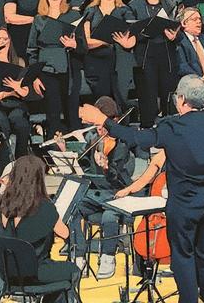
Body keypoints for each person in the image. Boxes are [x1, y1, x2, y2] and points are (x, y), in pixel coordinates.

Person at [80, 75, 204, 303]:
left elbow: (136, 138)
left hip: (183, 206)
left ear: (180, 99)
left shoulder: (171, 127)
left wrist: (104, 120)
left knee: (183, 257)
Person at [0, 155, 80, 303]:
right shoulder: (44, 206)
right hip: (35, 272)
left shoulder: (2, 202)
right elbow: (64, 233)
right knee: (73, 270)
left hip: (8, 273)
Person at [69, 96, 135, 278]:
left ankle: (108, 256)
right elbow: (83, 166)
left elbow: (120, 178)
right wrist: (65, 150)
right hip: (95, 195)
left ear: (114, 121)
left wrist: (106, 167)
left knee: (108, 215)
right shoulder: (94, 139)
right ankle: (79, 255)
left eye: (102, 124)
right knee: (72, 209)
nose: (99, 129)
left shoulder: (121, 144)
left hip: (116, 195)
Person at [27, 0, 84, 135]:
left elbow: (83, 46)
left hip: (70, 70)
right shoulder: (39, 19)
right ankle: (54, 149)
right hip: (47, 72)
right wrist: (35, 77)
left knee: (72, 113)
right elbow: (32, 50)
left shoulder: (73, 15)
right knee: (53, 113)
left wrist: (75, 45)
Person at [126, 0, 179, 128]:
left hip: (166, 56)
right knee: (148, 98)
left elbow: (177, 30)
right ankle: (148, 130)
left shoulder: (169, 4)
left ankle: (170, 129)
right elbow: (131, 29)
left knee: (168, 97)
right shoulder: (135, 5)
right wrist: (147, 31)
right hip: (145, 56)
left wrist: (174, 36)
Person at [0, 27, 33, 172]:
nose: (2, 42)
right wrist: (5, 94)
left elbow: (26, 91)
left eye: (5, 39)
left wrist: (17, 88)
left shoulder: (19, 62)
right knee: (1, 122)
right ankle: (4, 167)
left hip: (15, 104)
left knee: (20, 122)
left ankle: (22, 165)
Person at [81, 0, 136, 102]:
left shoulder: (125, 10)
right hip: (97, 63)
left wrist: (125, 42)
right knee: (104, 102)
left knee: (121, 102)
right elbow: (86, 41)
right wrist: (106, 41)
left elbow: (132, 39)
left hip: (120, 63)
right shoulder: (91, 11)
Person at [176, 7, 204, 95]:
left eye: (200, 19)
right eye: (194, 19)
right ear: (183, 23)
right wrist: (202, 82)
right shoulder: (180, 41)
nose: (199, 22)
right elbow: (183, 68)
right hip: (194, 86)